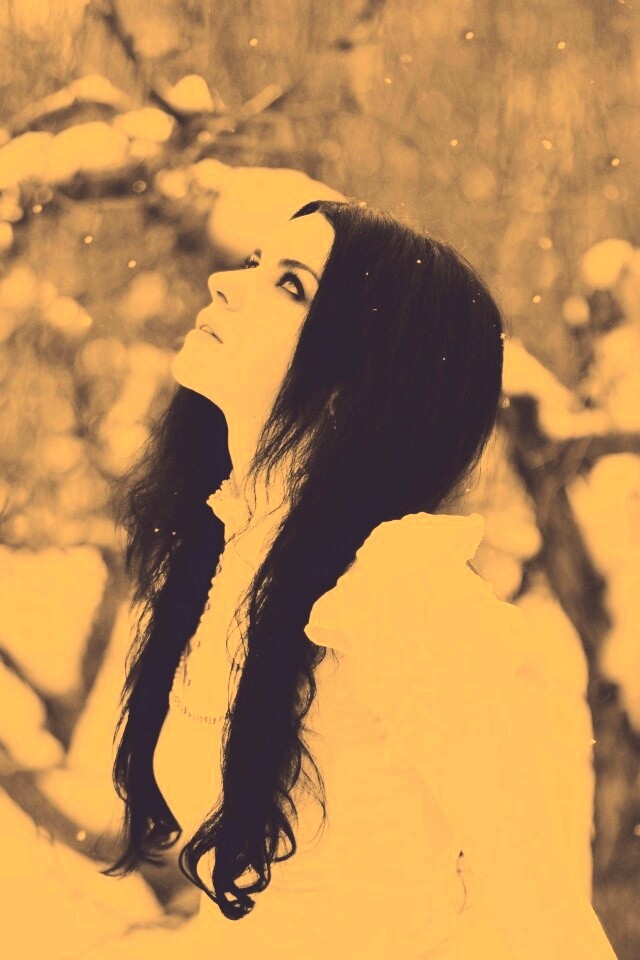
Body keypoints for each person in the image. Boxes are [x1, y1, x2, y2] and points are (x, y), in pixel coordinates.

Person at [84, 199, 618, 957]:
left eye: (290, 284)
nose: (224, 283)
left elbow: (546, 920)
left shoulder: (403, 596)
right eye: (253, 263)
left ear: (358, 382)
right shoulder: (233, 552)